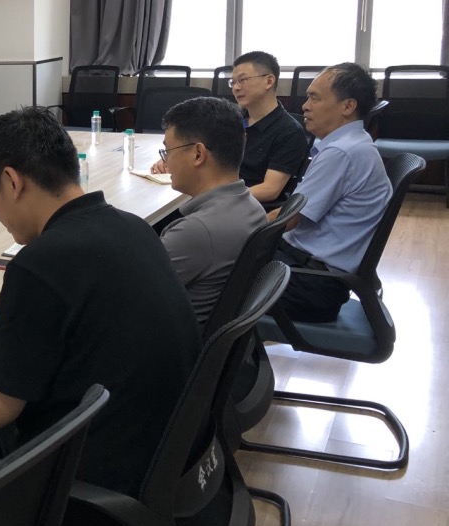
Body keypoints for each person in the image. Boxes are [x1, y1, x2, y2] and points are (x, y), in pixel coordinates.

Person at [0, 107, 199, 526]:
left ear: (12, 181)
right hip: (168, 476)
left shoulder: (41, 261)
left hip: (93, 512)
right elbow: (86, 316)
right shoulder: (132, 228)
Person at [270, 63, 391, 323]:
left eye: (315, 98)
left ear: (348, 106)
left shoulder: (342, 152)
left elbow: (286, 220)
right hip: (308, 273)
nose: (305, 106)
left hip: (309, 285)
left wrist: (234, 227)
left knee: (209, 279)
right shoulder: (354, 144)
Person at [157, 97, 266, 326]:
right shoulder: (252, 208)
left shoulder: (196, 231)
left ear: (198, 154)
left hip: (170, 343)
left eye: (168, 151)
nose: (166, 163)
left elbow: (124, 294)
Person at [149, 51, 308, 203]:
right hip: (209, 193)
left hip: (242, 207)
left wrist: (214, 198)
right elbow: (197, 147)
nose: (236, 88)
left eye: (243, 80)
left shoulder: (289, 131)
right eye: (233, 82)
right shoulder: (230, 118)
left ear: (269, 81)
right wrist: (172, 158)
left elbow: (270, 189)